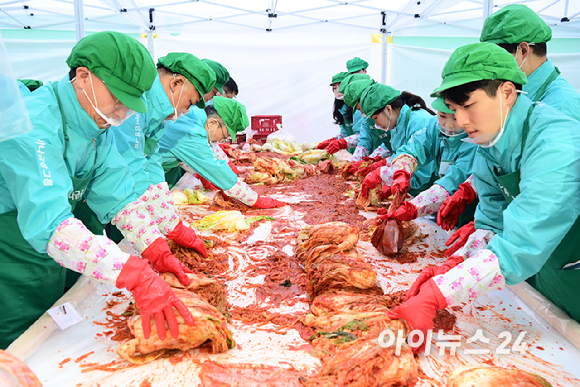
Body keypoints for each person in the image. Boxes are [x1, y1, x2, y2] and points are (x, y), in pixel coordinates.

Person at [0, 32, 194, 349]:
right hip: (13, 257)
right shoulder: (34, 124)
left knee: (54, 339)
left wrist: (154, 245)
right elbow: (50, 224)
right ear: (83, 76)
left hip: (55, 255)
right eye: (117, 98)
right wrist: (133, 273)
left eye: (130, 105)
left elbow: (117, 194)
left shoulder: (95, 127)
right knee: (22, 352)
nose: (121, 112)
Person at [388, 43, 580, 353]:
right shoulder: (492, 144)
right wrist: (457, 262)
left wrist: (439, 293)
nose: (461, 120)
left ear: (506, 92)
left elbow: (522, 244)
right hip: (545, 275)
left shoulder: (556, 144)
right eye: (453, 108)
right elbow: (491, 223)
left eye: (468, 105)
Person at [437, 3, 580, 251]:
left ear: (523, 50)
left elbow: (548, 194)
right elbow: (499, 158)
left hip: (556, 245)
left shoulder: (559, 106)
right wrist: (472, 190)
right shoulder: (505, 103)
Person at [97, 52, 215, 264]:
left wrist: (171, 223)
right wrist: (156, 238)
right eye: (188, 103)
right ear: (177, 82)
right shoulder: (136, 105)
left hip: (116, 193)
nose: (185, 111)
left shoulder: (155, 114)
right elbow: (129, 167)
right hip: (99, 194)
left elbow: (151, 162)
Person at [160, 96, 285, 209]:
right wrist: (257, 200)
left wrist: (201, 174)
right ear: (213, 122)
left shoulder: (195, 117)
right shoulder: (192, 131)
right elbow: (216, 170)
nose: (221, 141)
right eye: (224, 135)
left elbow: (182, 152)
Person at [377, 96, 477, 224]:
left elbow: (455, 179)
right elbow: (415, 148)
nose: (448, 125)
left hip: (468, 208)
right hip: (439, 200)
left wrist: (414, 208)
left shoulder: (474, 140)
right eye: (442, 116)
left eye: (455, 118)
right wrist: (401, 172)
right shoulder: (434, 126)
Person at [357, 83, 437, 198]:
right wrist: (380, 165)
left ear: (388, 109)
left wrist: (385, 179)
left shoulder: (419, 121)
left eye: (375, 119)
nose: (376, 124)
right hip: (411, 190)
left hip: (428, 192)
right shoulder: (396, 124)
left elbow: (423, 169)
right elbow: (400, 155)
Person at [316, 72, 360, 154]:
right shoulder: (342, 108)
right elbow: (345, 132)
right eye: (334, 88)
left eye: (341, 86)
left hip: (366, 153)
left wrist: (340, 143)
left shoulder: (358, 109)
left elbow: (363, 136)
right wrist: (332, 141)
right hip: (352, 153)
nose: (338, 91)